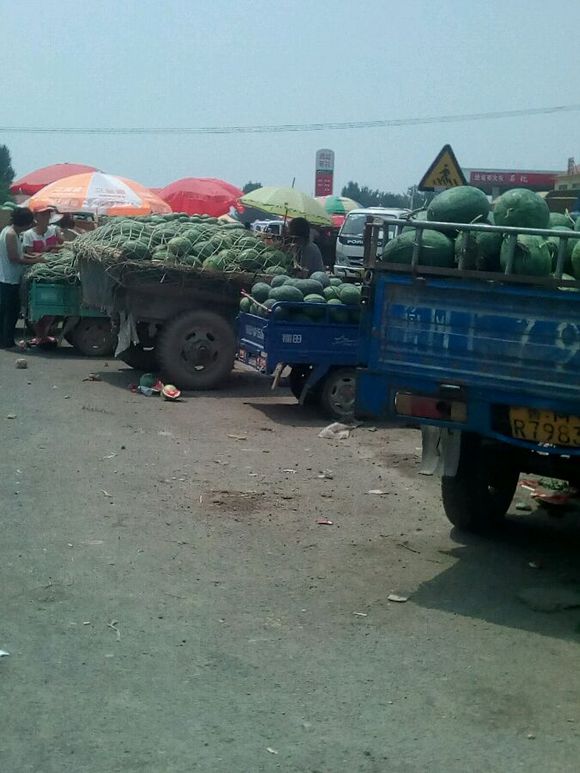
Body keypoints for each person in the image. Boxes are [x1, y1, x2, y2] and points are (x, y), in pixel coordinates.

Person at [0, 207, 44, 349]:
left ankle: (5, 341)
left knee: (9, 312)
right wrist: (36, 261)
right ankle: (6, 342)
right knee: (10, 312)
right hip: (8, 280)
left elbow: (20, 254)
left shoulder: (10, 232)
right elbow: (14, 258)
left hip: (10, 279)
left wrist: (35, 256)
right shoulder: (11, 234)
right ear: (25, 223)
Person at [21, 206, 65, 345]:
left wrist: (53, 247)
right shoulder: (29, 234)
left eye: (48, 214)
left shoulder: (54, 230)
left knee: (53, 304)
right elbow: (28, 252)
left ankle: (43, 335)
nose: (46, 217)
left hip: (55, 270)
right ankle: (40, 335)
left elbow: (64, 245)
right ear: (36, 218)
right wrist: (42, 254)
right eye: (43, 214)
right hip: (37, 271)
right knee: (36, 304)